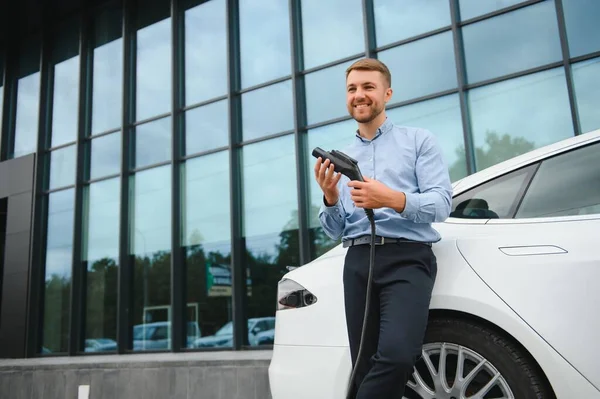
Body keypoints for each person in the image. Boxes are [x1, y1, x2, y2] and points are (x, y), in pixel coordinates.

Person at [313, 58, 452, 398]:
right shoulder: (339, 157)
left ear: (387, 93)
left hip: (408, 257)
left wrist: (390, 198)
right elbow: (334, 230)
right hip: (358, 260)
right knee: (364, 364)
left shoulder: (419, 141)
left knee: (397, 355)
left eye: (368, 87)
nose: (359, 95)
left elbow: (442, 204)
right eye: (352, 89)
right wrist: (331, 198)